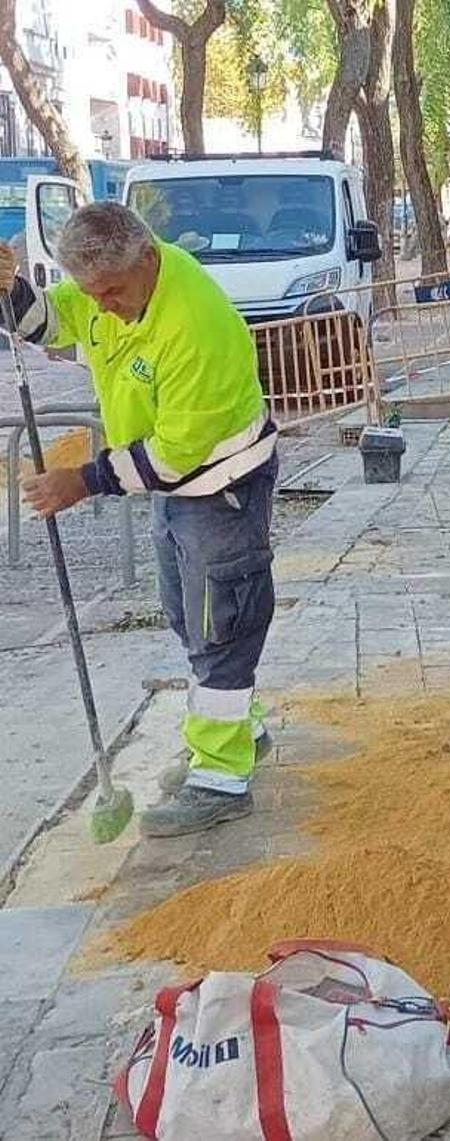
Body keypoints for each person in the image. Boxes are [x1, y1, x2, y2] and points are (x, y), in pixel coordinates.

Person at [6, 201, 278, 836]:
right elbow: (54, 324)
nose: (103, 307)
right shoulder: (110, 291)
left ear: (148, 260)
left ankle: (221, 776)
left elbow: (178, 451)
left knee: (222, 623)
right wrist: (13, 294)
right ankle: (242, 728)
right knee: (187, 613)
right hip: (172, 490)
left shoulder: (195, 326)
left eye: (113, 293)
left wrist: (83, 481)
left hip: (220, 485)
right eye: (91, 293)